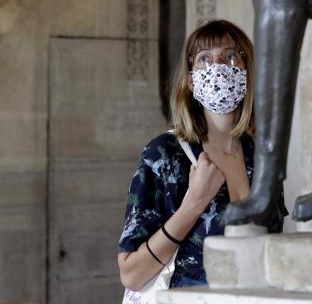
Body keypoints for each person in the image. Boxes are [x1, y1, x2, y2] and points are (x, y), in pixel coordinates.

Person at [118, 19, 285, 289]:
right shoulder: (164, 155)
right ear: (190, 81)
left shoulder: (263, 156)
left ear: (247, 70)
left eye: (230, 56)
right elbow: (131, 275)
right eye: (204, 59)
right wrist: (194, 202)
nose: (217, 67)